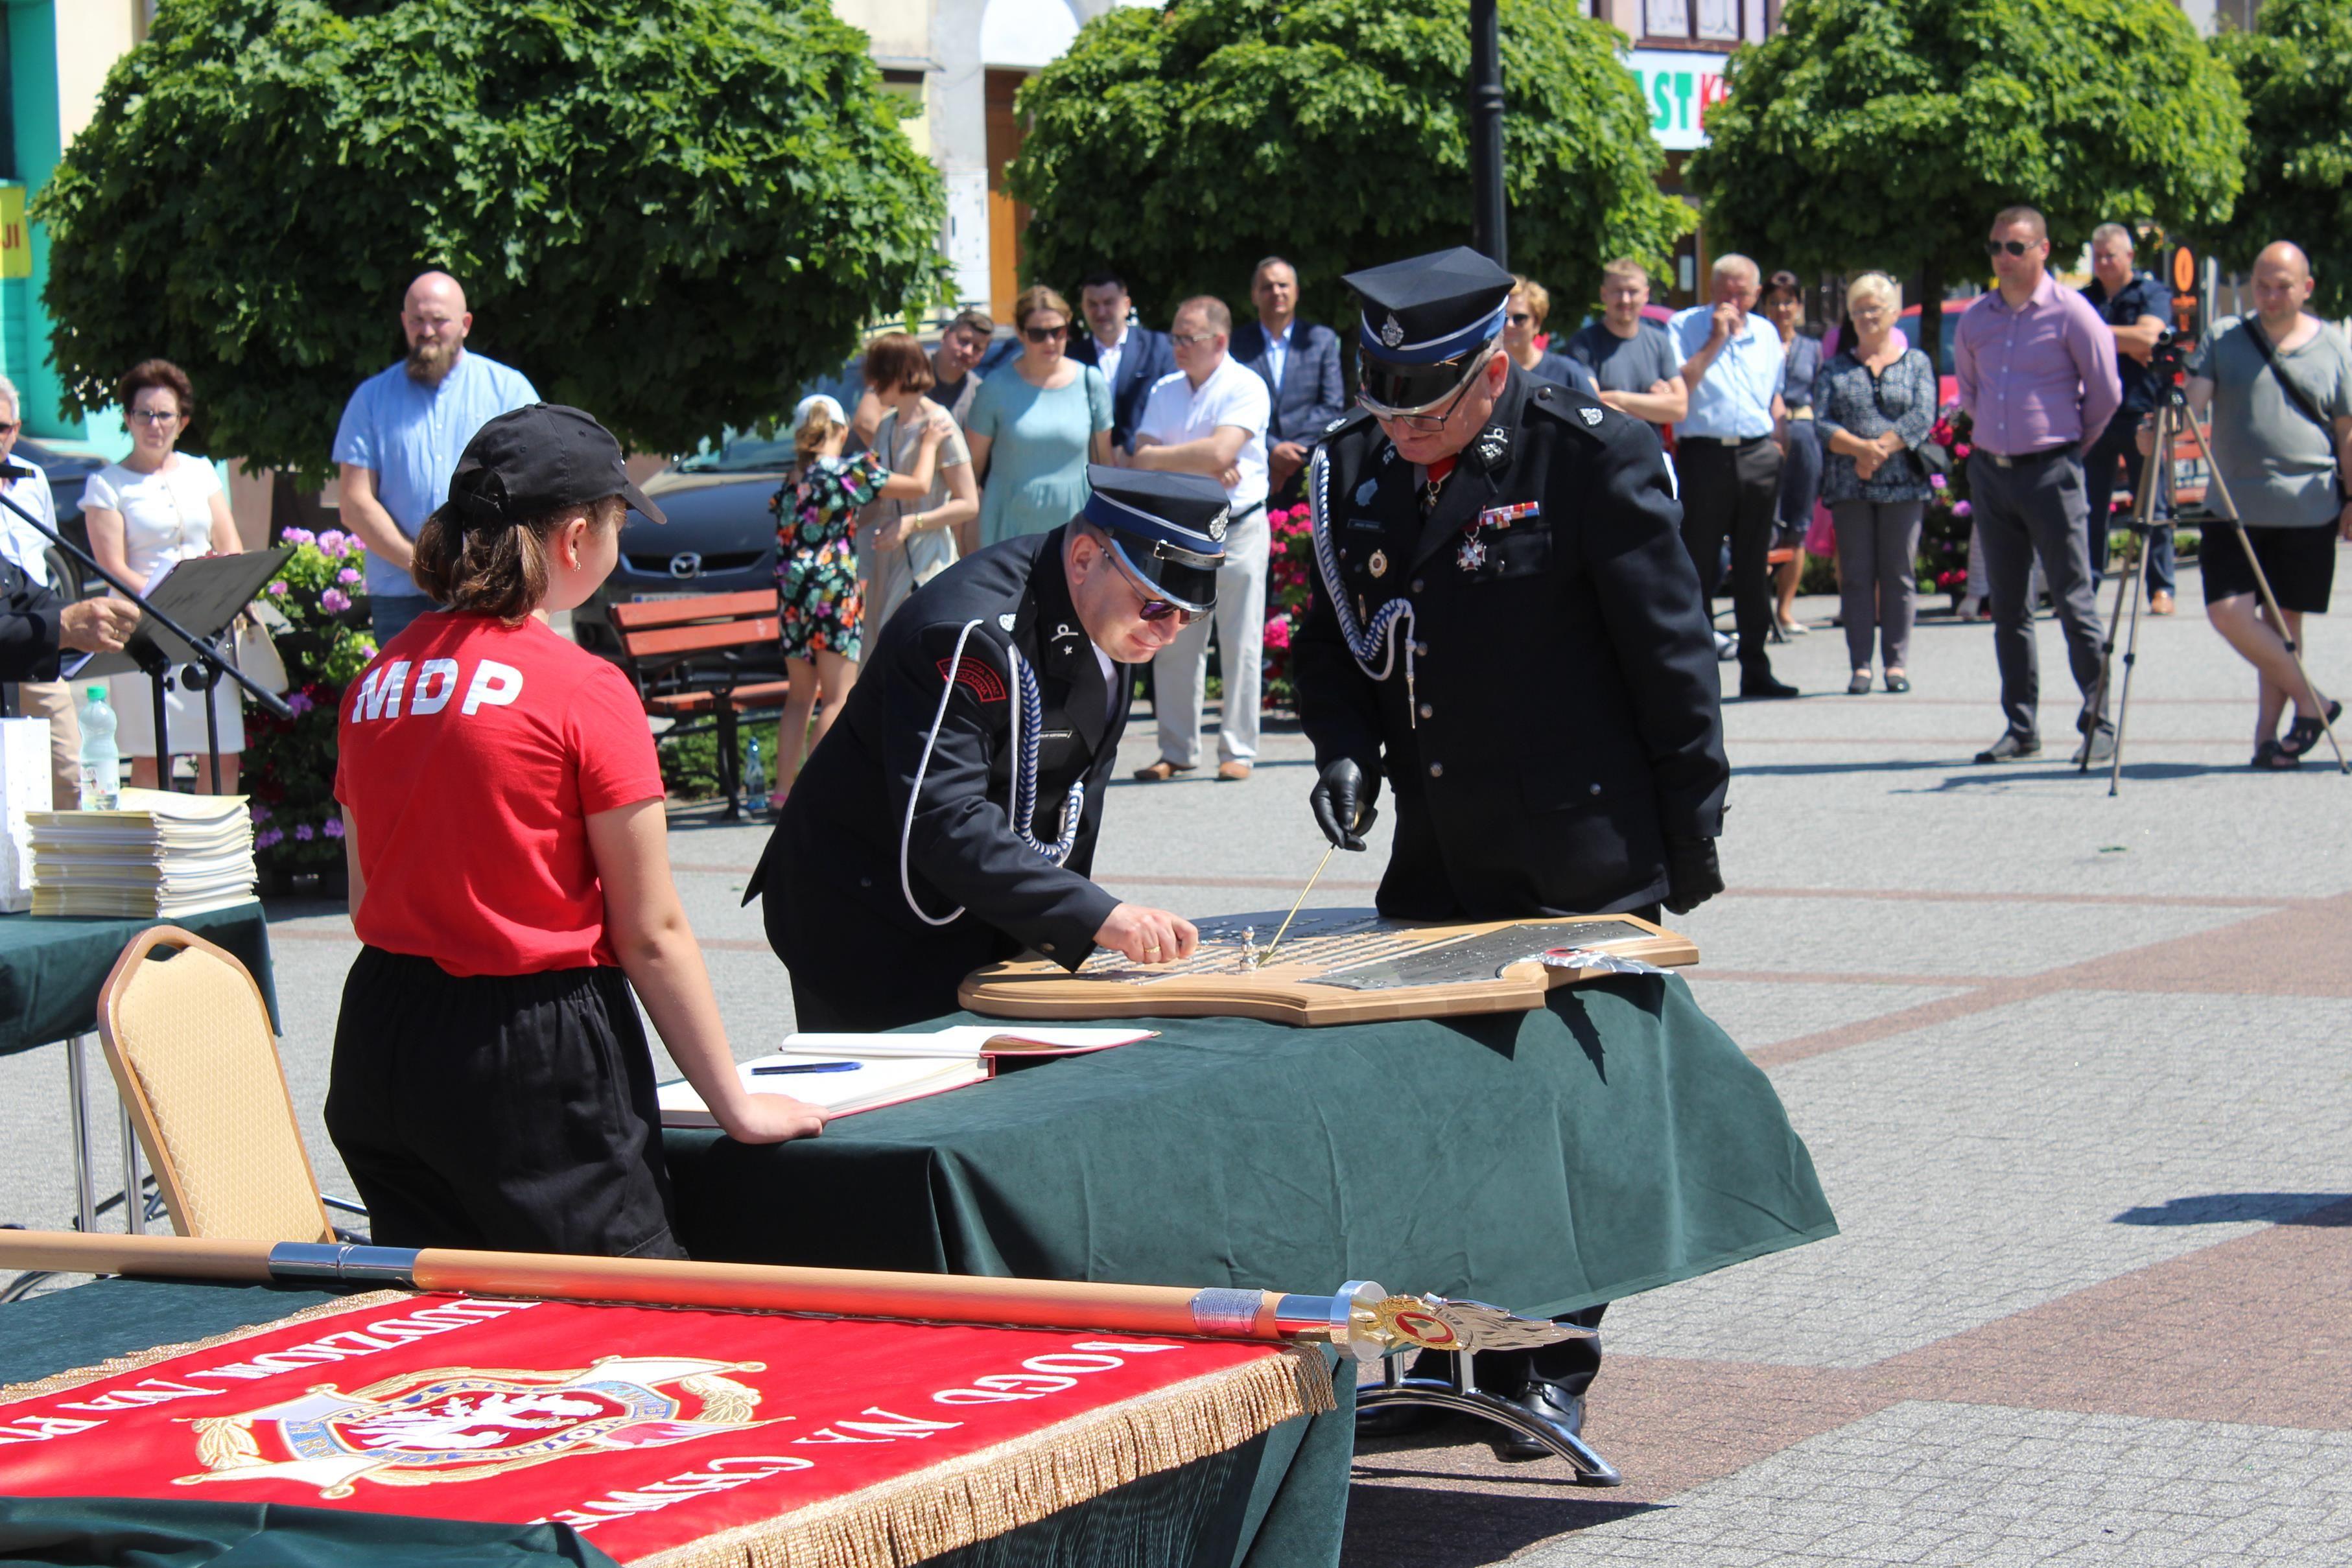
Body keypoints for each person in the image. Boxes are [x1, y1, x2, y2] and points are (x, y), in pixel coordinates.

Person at [1293, 246, 1728, 1463]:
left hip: (1578, 857)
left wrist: (1685, 836)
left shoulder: (1590, 452)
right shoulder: (1362, 466)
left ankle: (1545, 1364)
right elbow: (1330, 639)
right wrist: (1338, 749)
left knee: (1567, 1126)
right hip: (1439, 854)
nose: (1402, 433)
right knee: (1442, 1117)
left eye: (1424, 409)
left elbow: (1671, 655)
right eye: (1386, 407)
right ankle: (1444, 1345)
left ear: (1492, 371)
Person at [327, 404, 824, 1255]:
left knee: (439, 1322)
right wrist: (732, 1104)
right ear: (575, 537)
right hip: (529, 1049)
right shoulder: (581, 688)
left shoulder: (377, 677)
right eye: (619, 523)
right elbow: (651, 929)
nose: (620, 546)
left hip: (382, 1033)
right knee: (621, 1316)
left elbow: (365, 891)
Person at [749, 468, 1226, 1030]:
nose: (1169, 631)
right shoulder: (966, 631)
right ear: (1082, 559)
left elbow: (1068, 803)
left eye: (1188, 614)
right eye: (1155, 606)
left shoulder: (1109, 619)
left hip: (976, 907)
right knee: (904, 1109)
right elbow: (945, 819)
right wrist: (1096, 914)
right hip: (864, 910)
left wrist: (1066, 929)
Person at [2153, 242, 2351, 769]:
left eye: (2281, 285)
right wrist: (2162, 426)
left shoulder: (2333, 345)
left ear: (2306, 288)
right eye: (2261, 284)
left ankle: (2269, 737)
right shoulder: (2226, 337)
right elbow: (2193, 401)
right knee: (2228, 612)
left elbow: (2347, 432)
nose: (2269, 295)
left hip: (2307, 508)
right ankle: (2315, 701)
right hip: (2232, 504)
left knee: (2284, 623)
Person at [1955, 205, 2121, 766]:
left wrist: (2067, 446)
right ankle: (2021, 725)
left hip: (2053, 470)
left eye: (2016, 247)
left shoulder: (2074, 314)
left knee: (2074, 600)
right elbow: (1971, 394)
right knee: (2007, 607)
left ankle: (2098, 720)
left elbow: (2105, 396)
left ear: (2043, 250)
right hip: (1992, 472)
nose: (2004, 256)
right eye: (1996, 246)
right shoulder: (1977, 318)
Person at [333, 271, 540, 644]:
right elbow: (354, 501)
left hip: (490, 589)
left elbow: (535, 485)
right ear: (404, 322)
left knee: (484, 704)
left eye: (439, 320)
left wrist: (488, 567)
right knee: (404, 704)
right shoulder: (370, 399)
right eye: (417, 320)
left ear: (465, 325)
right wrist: (421, 566)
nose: (426, 330)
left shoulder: (509, 390)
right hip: (399, 595)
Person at [771, 392, 950, 806]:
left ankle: (782, 793)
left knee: (799, 696)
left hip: (792, 594)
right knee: (837, 696)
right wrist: (928, 444)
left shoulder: (793, 480)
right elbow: (919, 485)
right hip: (834, 591)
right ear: (842, 429)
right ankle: (813, 794)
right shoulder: (849, 472)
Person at [80, 360, 247, 793]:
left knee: (223, 752)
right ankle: (153, 858)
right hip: (146, 632)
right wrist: (170, 600)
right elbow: (112, 567)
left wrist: (217, 594)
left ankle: (214, 854)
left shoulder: (201, 471)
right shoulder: (107, 483)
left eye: (165, 415)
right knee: (154, 758)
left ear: (183, 421)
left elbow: (230, 543)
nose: (154, 425)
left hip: (208, 629)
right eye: (144, 414)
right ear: (128, 419)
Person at [1126, 296, 1273, 784]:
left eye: (1188, 338)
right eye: (1175, 337)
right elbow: (1139, 457)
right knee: (1172, 642)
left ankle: (1238, 750)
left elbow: (1223, 450)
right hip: (1178, 532)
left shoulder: (1246, 385)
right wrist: (1203, 458)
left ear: (1220, 341)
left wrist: (1185, 455)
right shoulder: (1165, 389)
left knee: (1241, 642)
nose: (1178, 347)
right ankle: (1176, 749)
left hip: (1240, 527)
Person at [1672, 254, 1794, 697]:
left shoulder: (1765, 333)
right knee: (1700, 565)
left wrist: (1778, 448)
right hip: (1705, 455)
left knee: (1752, 566)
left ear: (1756, 294)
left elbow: (1773, 396)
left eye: (1742, 292)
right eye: (1724, 290)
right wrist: (1715, 340)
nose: (1732, 300)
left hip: (1758, 454)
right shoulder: (1684, 326)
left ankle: (1756, 668)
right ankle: (1701, 675)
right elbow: (1679, 384)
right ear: (1710, 288)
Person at [1815, 273, 1937, 695]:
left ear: (1894, 313)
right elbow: (1821, 420)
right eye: (1859, 309)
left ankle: (1896, 664)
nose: (1867, 316)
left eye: (1876, 308)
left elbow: (1923, 415)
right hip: (1850, 485)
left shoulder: (1916, 362)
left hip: (1903, 484)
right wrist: (1857, 450)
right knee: (1856, 575)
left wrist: (1878, 450)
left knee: (1898, 573)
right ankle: (1861, 665)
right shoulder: (1835, 367)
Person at [967, 287, 1114, 546]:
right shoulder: (994, 387)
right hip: (1009, 524)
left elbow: (1105, 462)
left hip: (1075, 524)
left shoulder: (1091, 382)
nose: (1050, 342)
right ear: (1020, 334)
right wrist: (965, 536)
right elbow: (972, 470)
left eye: (1058, 332)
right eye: (1038, 334)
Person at [2082, 224, 2178, 612]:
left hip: (2142, 411)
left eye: (2111, 255)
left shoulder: (2151, 293)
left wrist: (2094, 334)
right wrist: (2127, 339)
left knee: (2152, 504)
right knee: (2090, 507)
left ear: (2129, 257)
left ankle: (2161, 589)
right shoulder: (2083, 298)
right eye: (2098, 255)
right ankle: (2086, 588)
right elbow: (2069, 340)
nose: (2103, 262)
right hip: (2094, 415)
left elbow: (2149, 340)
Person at [858, 333, 980, 637]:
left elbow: (968, 504)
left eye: (877, 376)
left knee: (916, 650)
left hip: (929, 560)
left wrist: (914, 522)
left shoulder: (940, 423)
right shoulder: (886, 425)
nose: (871, 386)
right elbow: (882, 498)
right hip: (887, 561)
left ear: (896, 374)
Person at [0, 375, 84, 804]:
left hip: (37, 635)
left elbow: (45, 555)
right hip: (4, 636)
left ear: (15, 430)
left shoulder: (32, 479)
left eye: (1, 427)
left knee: (67, 770)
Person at [1230, 257, 1346, 499]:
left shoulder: (1321, 340)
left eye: (1283, 285)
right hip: (1254, 469)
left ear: (1296, 292)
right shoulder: (1235, 344)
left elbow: (1331, 405)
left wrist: (1293, 455)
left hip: (1309, 467)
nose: (1276, 292)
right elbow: (1231, 404)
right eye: (1267, 287)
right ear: (1254, 296)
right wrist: (1273, 449)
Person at [1762, 271, 1824, 638]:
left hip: (1803, 436)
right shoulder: (1755, 343)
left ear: (1799, 307)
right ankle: (1760, 611)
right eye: (1774, 302)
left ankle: (1785, 611)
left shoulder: (1812, 348)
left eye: (1788, 302)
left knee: (1798, 523)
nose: (1781, 309)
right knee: (1765, 524)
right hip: (1766, 440)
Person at [1563, 260, 1688, 434]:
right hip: (1604, 452)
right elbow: (1592, 406)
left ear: (1646, 295)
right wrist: (1654, 405)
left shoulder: (1659, 342)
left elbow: (1680, 409)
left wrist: (1616, 398)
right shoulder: (1584, 343)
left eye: (1633, 292)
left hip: (1650, 452)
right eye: (1617, 291)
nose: (1625, 299)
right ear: (1604, 294)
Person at [854, 309, 994, 455]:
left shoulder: (979, 392)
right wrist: (899, 463)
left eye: (978, 348)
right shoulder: (907, 368)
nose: (968, 351)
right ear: (946, 334)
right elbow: (865, 423)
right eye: (963, 341)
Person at [1066, 271, 1175, 454]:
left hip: (1146, 463)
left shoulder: (1158, 349)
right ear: (1083, 309)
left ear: (1126, 306)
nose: (1101, 312)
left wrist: (1130, 450)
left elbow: (1173, 405)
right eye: (1092, 305)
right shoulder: (1072, 359)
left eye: (1109, 303)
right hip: (1090, 466)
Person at [1502, 276, 1599, 397]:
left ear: (1537, 324)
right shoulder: (1482, 373)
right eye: (1503, 318)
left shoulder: (1568, 373)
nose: (1510, 325)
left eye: (1520, 318)